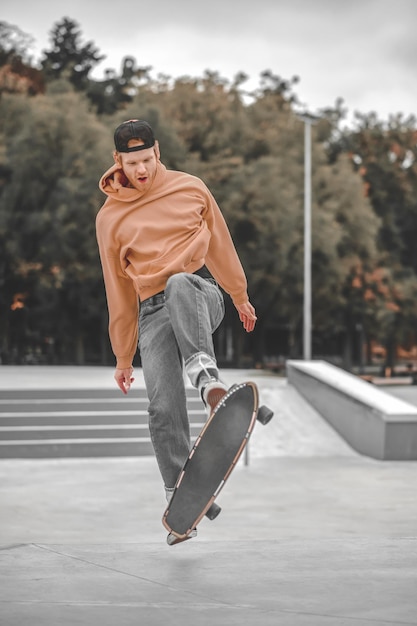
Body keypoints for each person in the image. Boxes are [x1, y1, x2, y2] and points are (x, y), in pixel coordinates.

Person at [96, 119, 257, 527]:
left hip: (199, 296)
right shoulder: (109, 219)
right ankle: (178, 491)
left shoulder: (191, 187)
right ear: (119, 161)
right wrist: (122, 355)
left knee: (180, 282)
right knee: (162, 407)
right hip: (152, 314)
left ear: (158, 152)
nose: (142, 170)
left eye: (147, 160)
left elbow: (220, 243)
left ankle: (205, 377)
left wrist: (238, 295)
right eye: (132, 164)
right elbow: (117, 289)